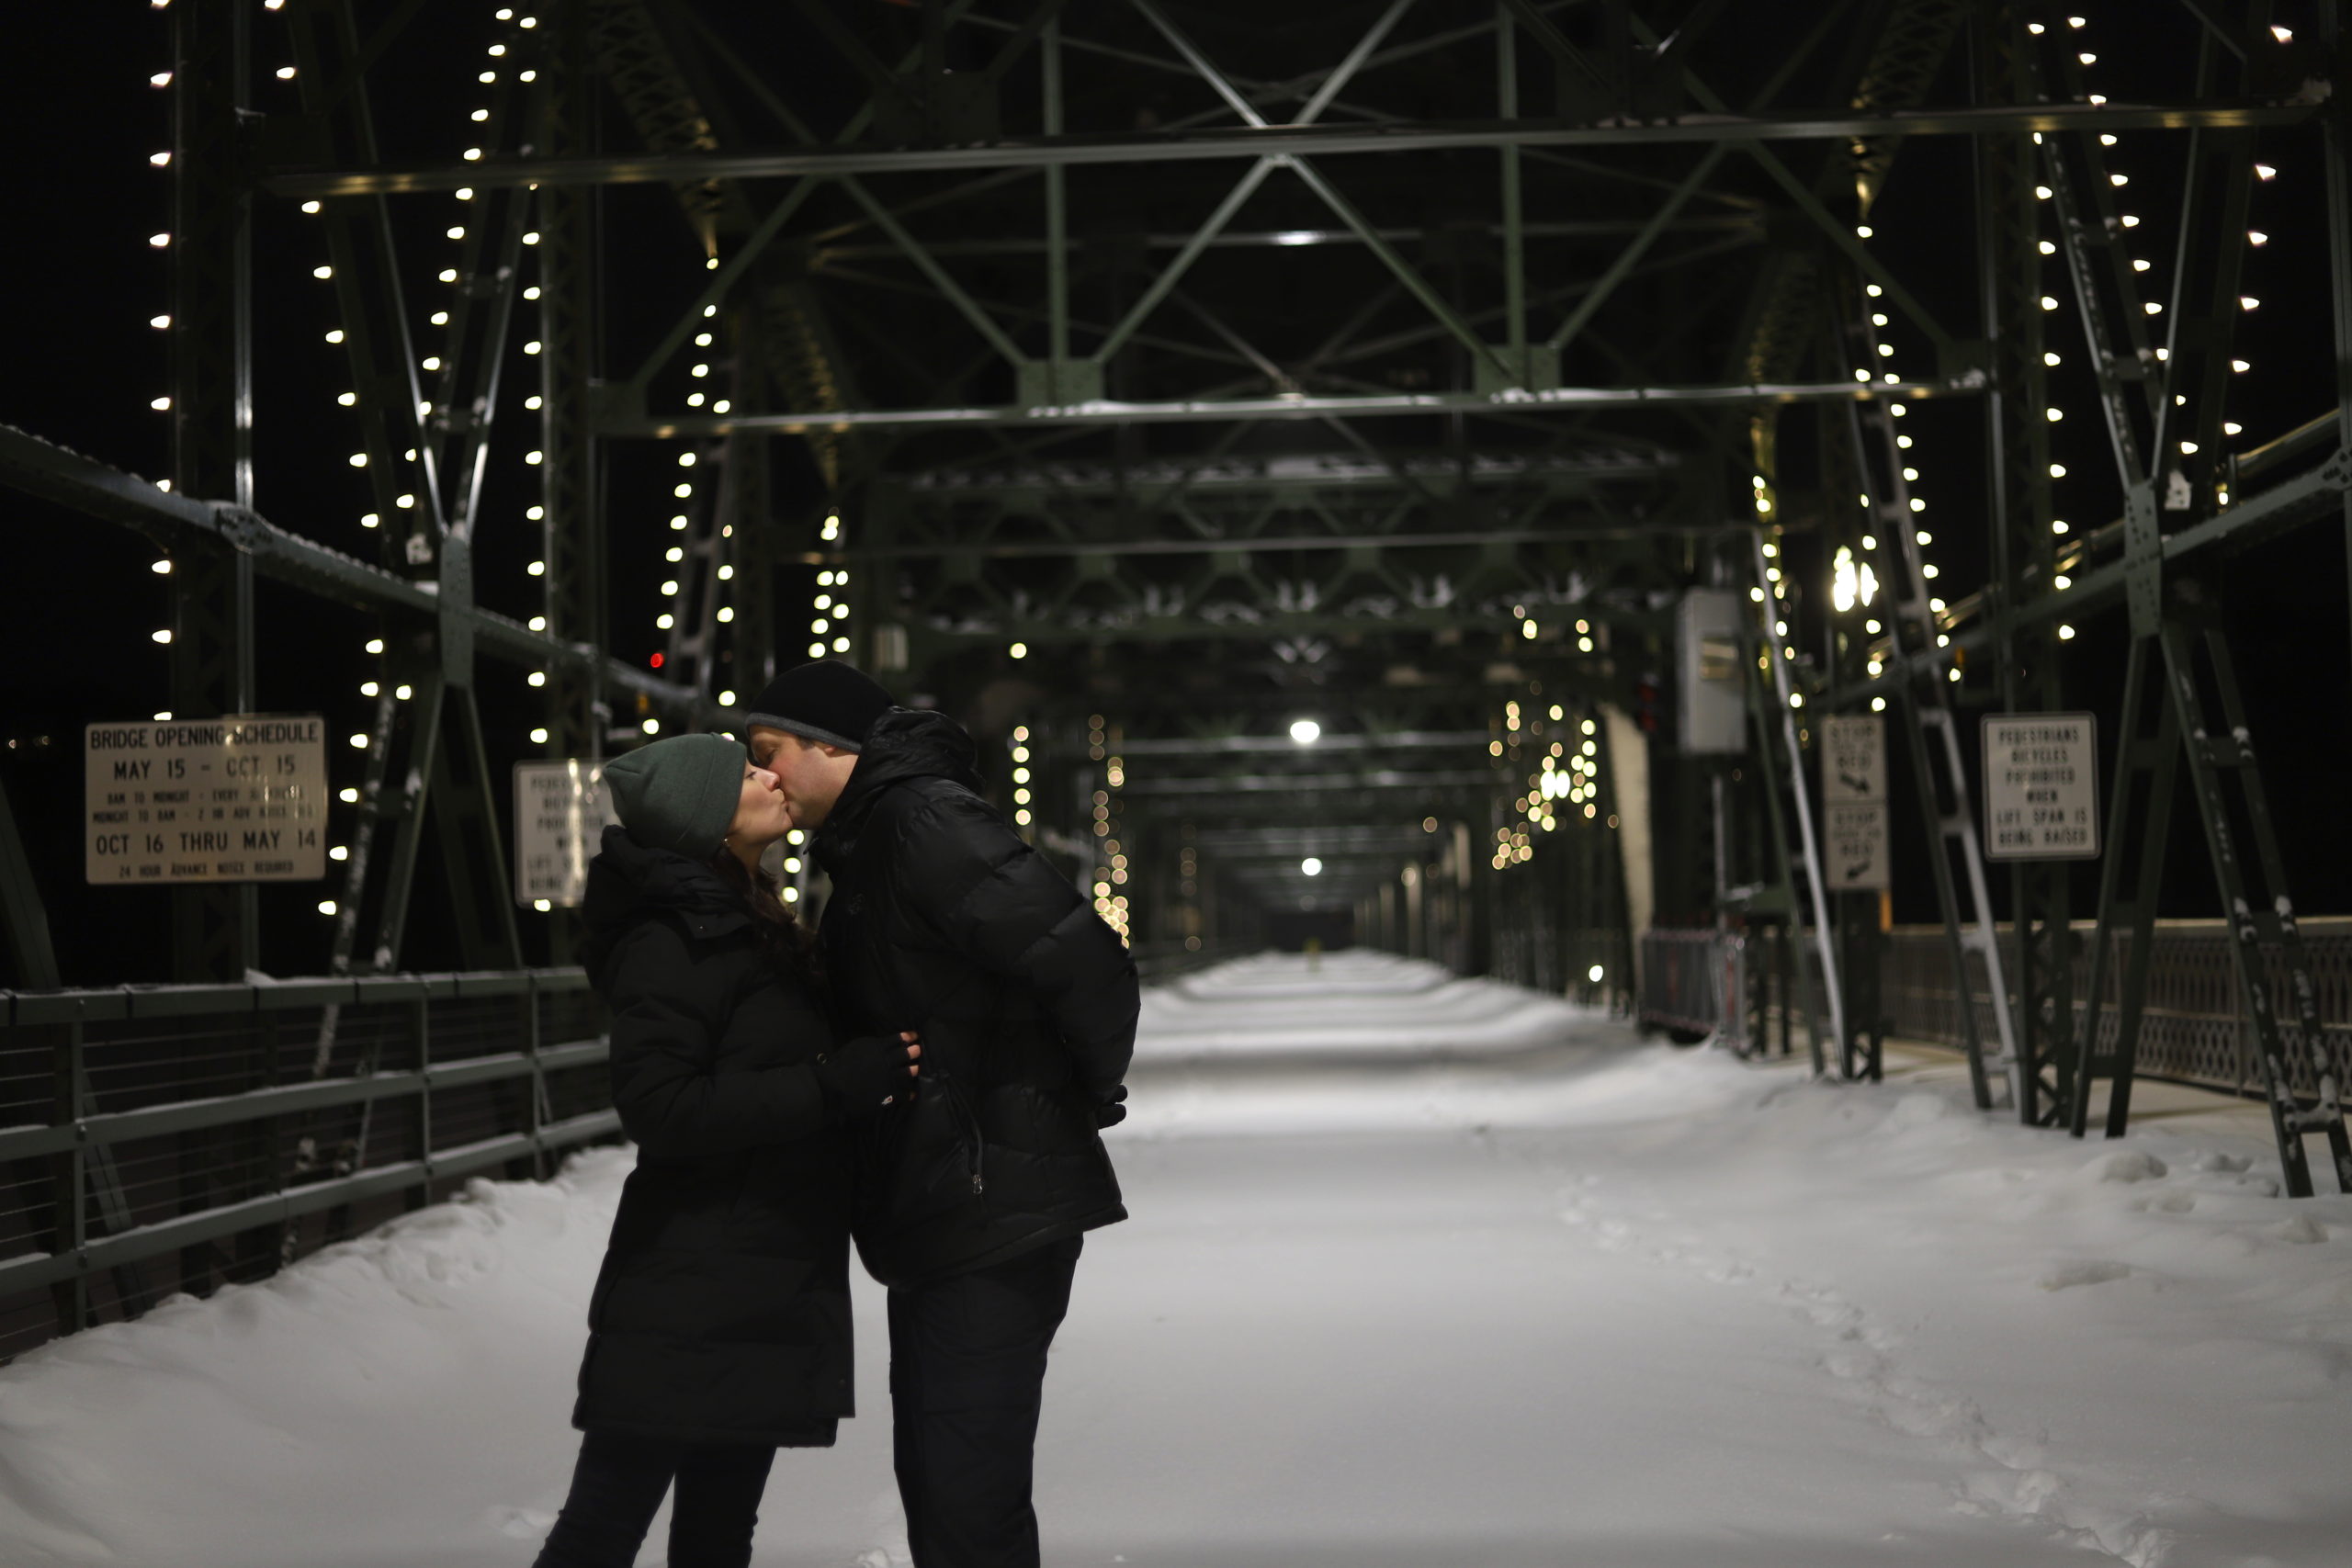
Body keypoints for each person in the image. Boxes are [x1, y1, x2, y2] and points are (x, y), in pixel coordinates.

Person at [742, 660, 1138, 1568]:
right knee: (940, 1476)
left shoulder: (922, 823)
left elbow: (1088, 965)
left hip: (985, 1197)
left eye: (771, 754)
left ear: (832, 748)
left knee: (966, 1492)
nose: (764, 778)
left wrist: (1077, 1095)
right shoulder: (879, 833)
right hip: (945, 1198)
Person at [535, 732, 921, 1568]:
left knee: (716, 1533)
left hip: (758, 1269)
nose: (768, 774)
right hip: (694, 1277)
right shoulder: (673, 938)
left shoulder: (748, 919)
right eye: (745, 773)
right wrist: (831, 1085)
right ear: (707, 819)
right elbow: (660, 1106)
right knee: (604, 1524)